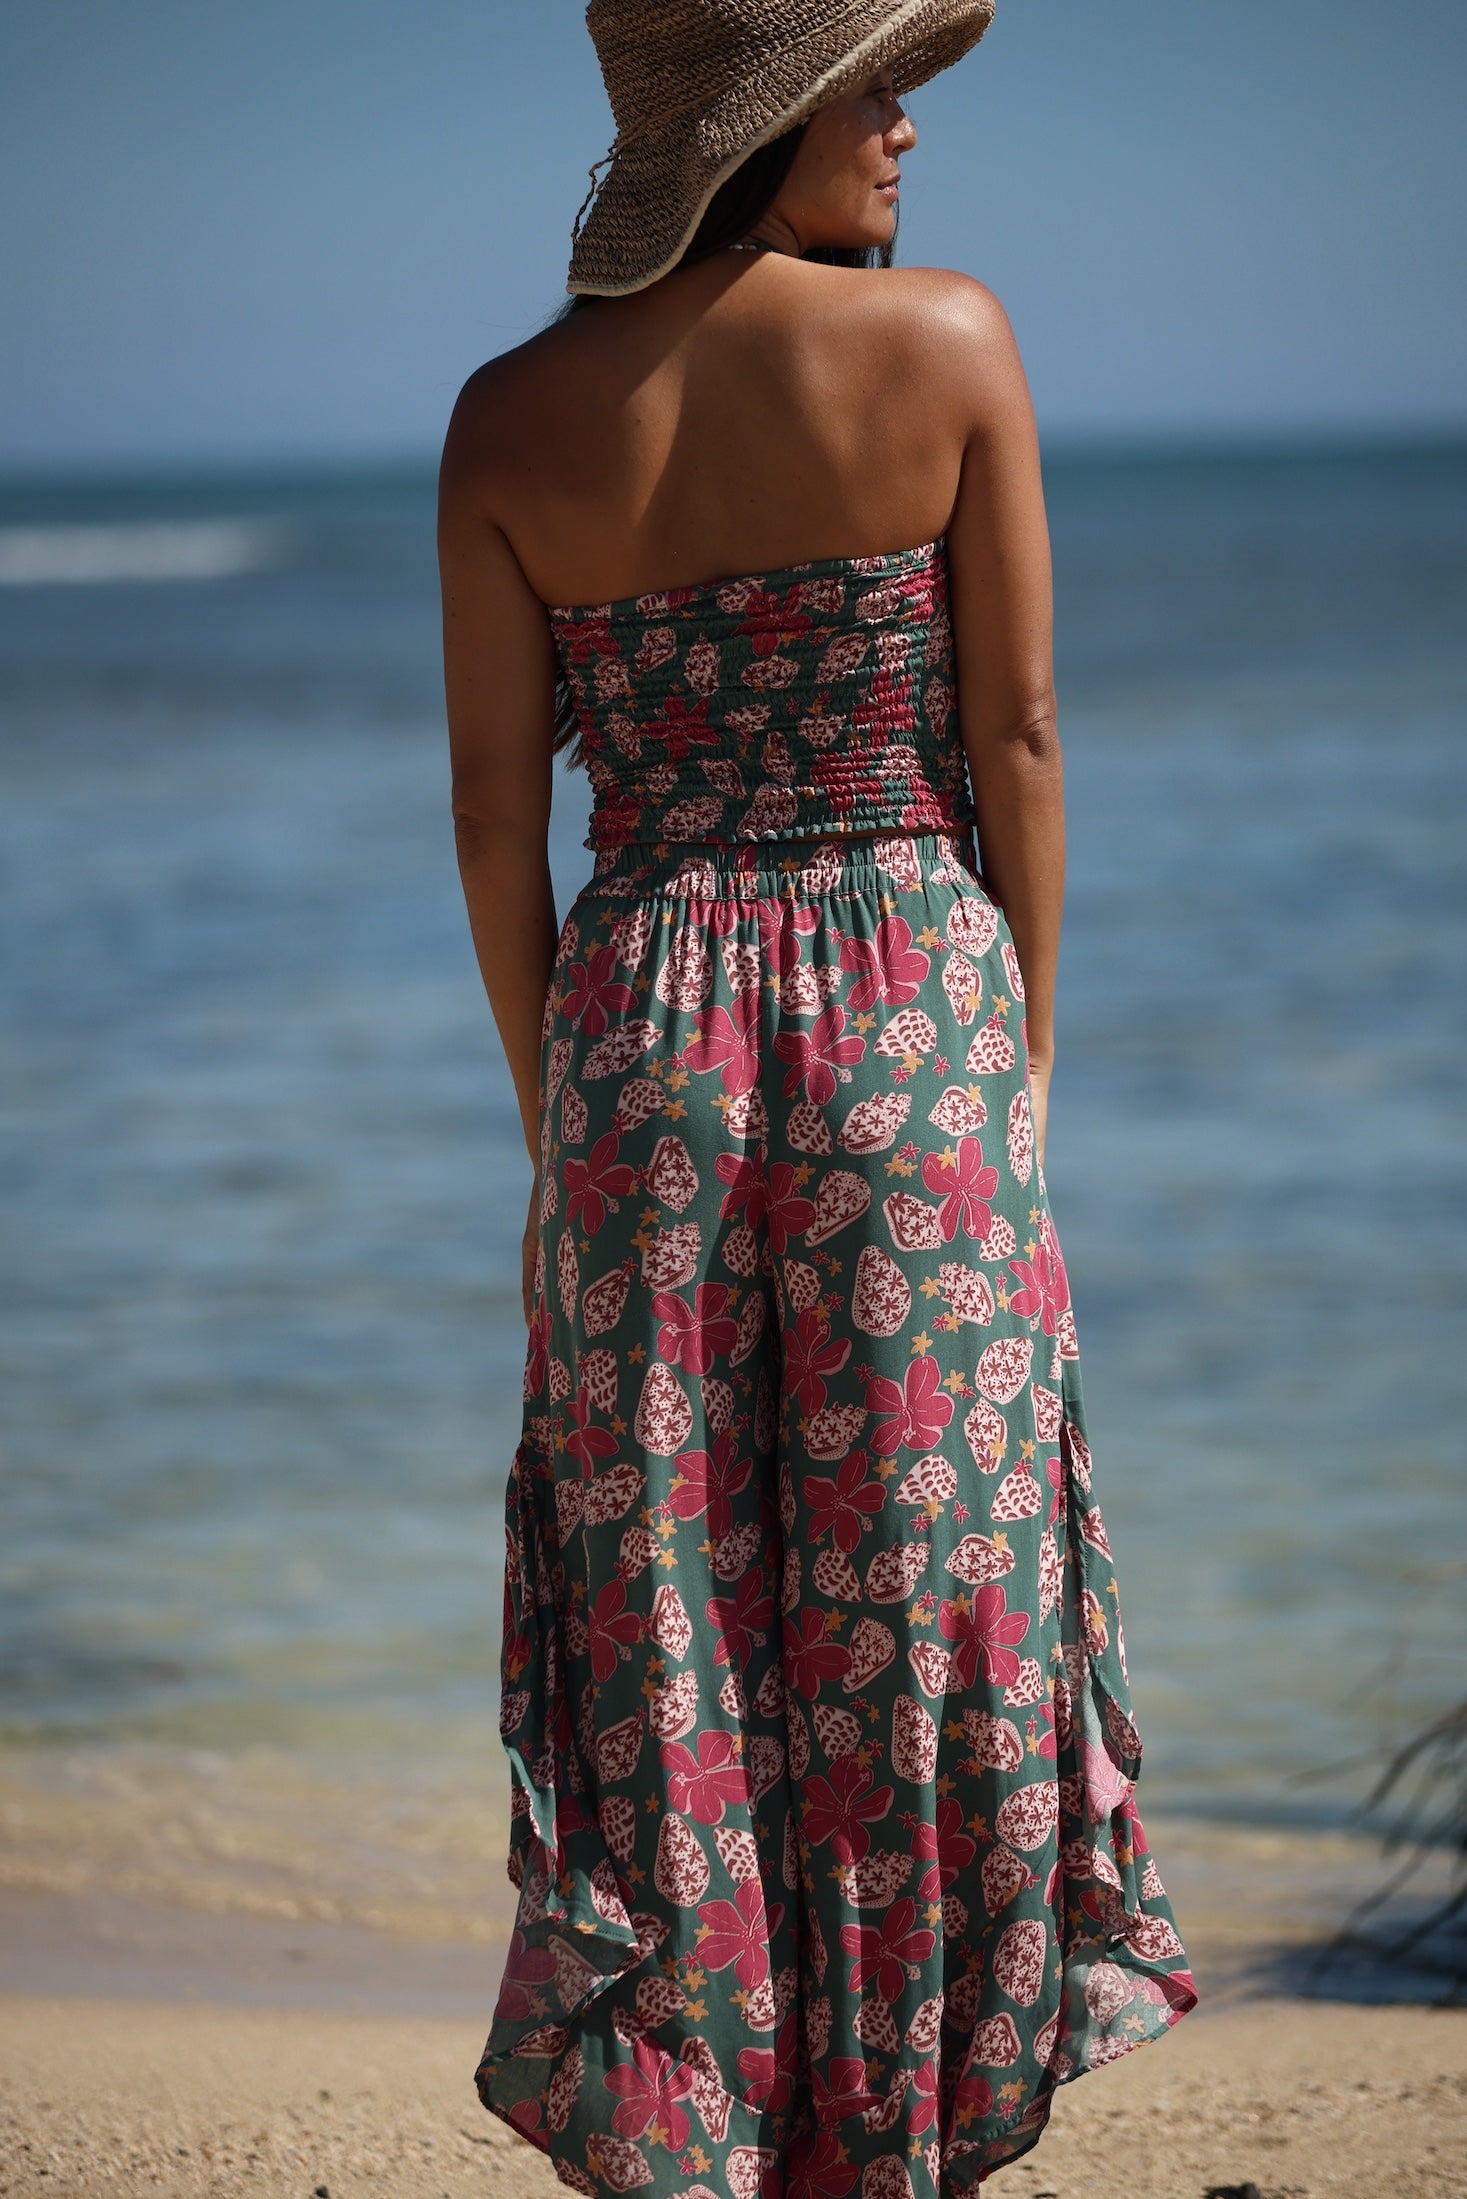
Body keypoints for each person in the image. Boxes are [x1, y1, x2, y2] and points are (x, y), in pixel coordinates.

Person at [438, 3, 1198, 2190]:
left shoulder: (505, 418)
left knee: (667, 1573)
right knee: (924, 1570)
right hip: (902, 993)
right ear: (760, 118)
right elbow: (1022, 734)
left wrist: (555, 1098)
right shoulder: (946, 344)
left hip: (635, 1021)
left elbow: (499, 830)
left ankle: (700, 2110)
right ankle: (903, 2111)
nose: (899, 126)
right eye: (873, 85)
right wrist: (1018, 1049)